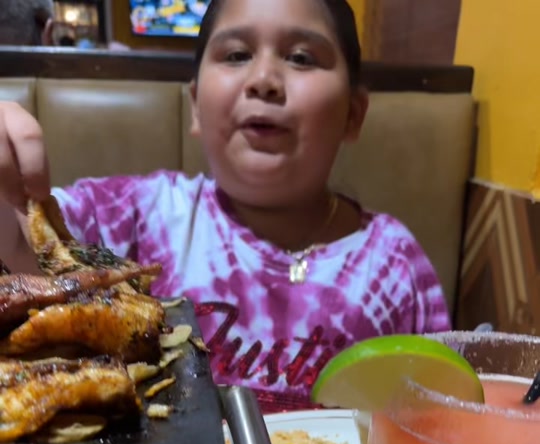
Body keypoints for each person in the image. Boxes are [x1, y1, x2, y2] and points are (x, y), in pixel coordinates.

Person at [0, 0, 450, 411]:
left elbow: (440, 406)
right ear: (196, 105)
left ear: (353, 113)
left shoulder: (394, 266)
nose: (264, 80)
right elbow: (22, 241)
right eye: (236, 55)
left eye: (300, 58)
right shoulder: (140, 217)